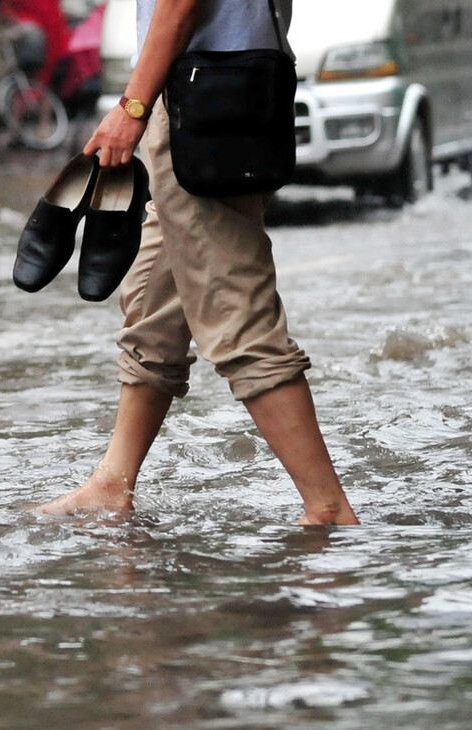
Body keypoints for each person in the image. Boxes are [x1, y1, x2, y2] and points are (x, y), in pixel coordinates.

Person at [37, 0, 359, 526]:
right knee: (156, 305)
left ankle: (328, 509)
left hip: (199, 98)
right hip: (225, 90)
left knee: (237, 312)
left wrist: (133, 108)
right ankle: (111, 484)